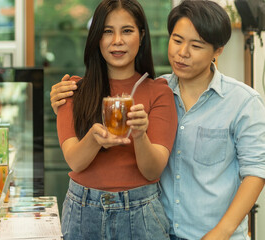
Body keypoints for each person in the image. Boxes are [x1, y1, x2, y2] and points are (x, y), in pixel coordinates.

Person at [51, 1, 265, 239]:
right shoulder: (159, 88)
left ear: (218, 51)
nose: (183, 52)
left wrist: (221, 233)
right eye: (177, 40)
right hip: (161, 227)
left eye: (196, 45)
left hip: (208, 233)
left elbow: (256, 170)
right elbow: (75, 156)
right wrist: (77, 114)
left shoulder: (241, 101)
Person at [56, 0, 178, 239]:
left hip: (141, 212)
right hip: (82, 211)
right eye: (107, 31)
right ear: (96, 38)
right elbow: (75, 161)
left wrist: (140, 135)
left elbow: (152, 169)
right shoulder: (72, 90)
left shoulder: (159, 91)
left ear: (141, 36)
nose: (117, 41)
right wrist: (94, 139)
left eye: (127, 31)